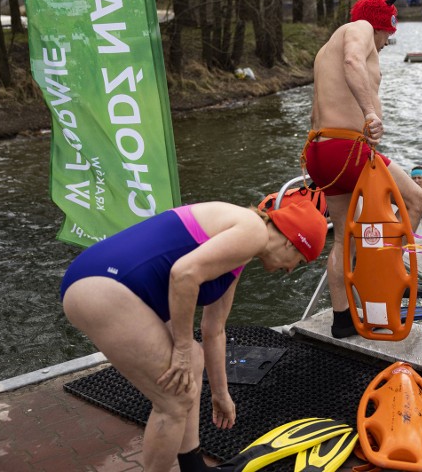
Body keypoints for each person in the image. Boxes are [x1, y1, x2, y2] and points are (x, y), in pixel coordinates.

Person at [60, 200, 328, 472]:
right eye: (299, 261)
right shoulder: (253, 232)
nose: (291, 269)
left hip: (109, 284)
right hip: (103, 287)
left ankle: (193, 466)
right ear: (291, 244)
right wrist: (182, 348)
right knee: (174, 399)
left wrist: (220, 393)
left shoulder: (240, 248)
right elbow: (184, 274)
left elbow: (214, 329)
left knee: (193, 364)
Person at [301, 0, 422, 338]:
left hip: (320, 150)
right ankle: (390, 275)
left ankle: (343, 319)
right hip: (349, 149)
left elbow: (315, 110)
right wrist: (371, 113)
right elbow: (354, 61)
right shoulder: (359, 28)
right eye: (388, 33)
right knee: (416, 199)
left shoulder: (324, 48)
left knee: (343, 238)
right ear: (380, 24)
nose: (387, 41)